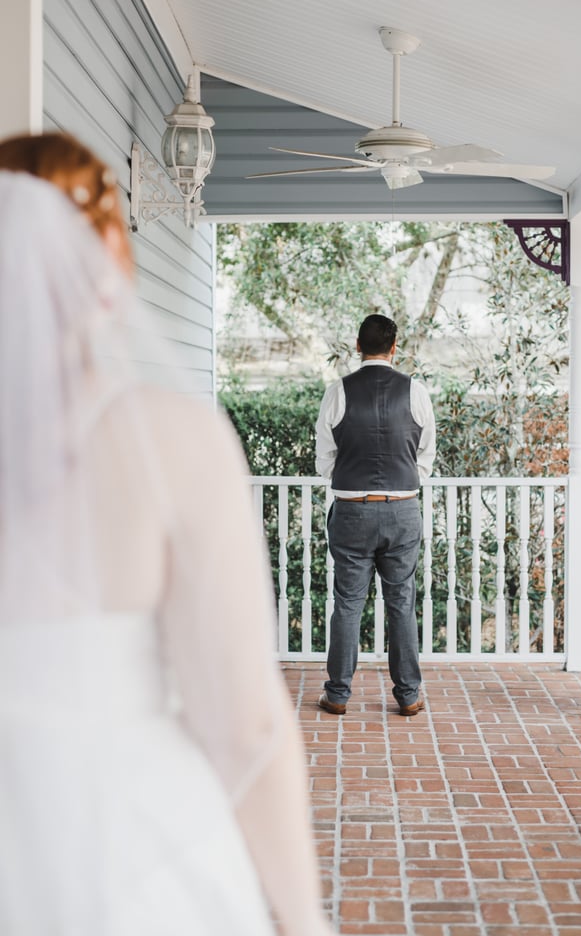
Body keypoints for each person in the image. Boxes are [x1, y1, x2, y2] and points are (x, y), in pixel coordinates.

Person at [0, 133, 335, 936]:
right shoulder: (168, 438)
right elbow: (243, 724)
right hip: (124, 852)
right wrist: (301, 919)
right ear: (109, 271)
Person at [315, 314, 436, 717]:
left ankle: (337, 694)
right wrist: (402, 483)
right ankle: (409, 695)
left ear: (357, 345)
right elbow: (426, 454)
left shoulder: (338, 391)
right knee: (401, 601)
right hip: (403, 511)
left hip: (352, 510)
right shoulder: (415, 391)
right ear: (394, 347)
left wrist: (353, 479)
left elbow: (324, 460)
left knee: (348, 603)